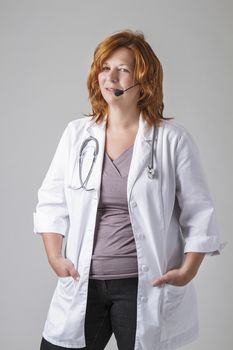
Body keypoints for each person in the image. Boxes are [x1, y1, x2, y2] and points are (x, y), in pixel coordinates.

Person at [33, 29, 224, 350]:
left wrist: (188, 271)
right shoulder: (76, 135)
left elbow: (199, 211)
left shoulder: (171, 140)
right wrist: (54, 256)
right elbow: (51, 202)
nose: (111, 77)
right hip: (83, 281)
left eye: (122, 69)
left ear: (144, 81)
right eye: (105, 68)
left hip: (142, 284)